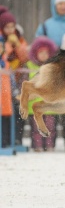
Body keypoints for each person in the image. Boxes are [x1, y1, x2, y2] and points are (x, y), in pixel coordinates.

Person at [0, 10, 28, 145]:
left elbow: (25, 57)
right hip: (4, 81)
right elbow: (3, 56)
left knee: (18, 109)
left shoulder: (19, 39)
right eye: (7, 27)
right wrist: (9, 47)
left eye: (12, 26)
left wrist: (16, 44)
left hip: (17, 80)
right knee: (4, 109)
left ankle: (17, 138)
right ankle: (4, 139)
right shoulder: (1, 39)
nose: (10, 30)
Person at [26, 36, 58, 152]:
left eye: (46, 52)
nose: (44, 55)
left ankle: (49, 145)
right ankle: (37, 146)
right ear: (35, 53)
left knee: (50, 126)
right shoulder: (29, 66)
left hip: (49, 104)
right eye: (41, 52)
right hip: (34, 105)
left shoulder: (53, 68)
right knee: (36, 127)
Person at [0, 36, 18, 148]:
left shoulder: (6, 63)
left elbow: (12, 81)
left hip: (5, 98)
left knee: (5, 119)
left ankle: (5, 142)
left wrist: (15, 92)